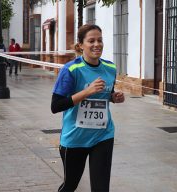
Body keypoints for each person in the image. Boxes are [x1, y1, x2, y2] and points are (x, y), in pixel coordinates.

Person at [51, 24, 125, 192]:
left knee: (101, 188)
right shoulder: (71, 69)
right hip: (75, 138)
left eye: (100, 40)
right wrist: (87, 91)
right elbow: (56, 106)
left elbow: (106, 93)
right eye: (91, 41)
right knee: (70, 186)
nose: (96, 44)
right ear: (81, 45)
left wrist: (114, 97)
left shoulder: (110, 68)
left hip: (103, 135)